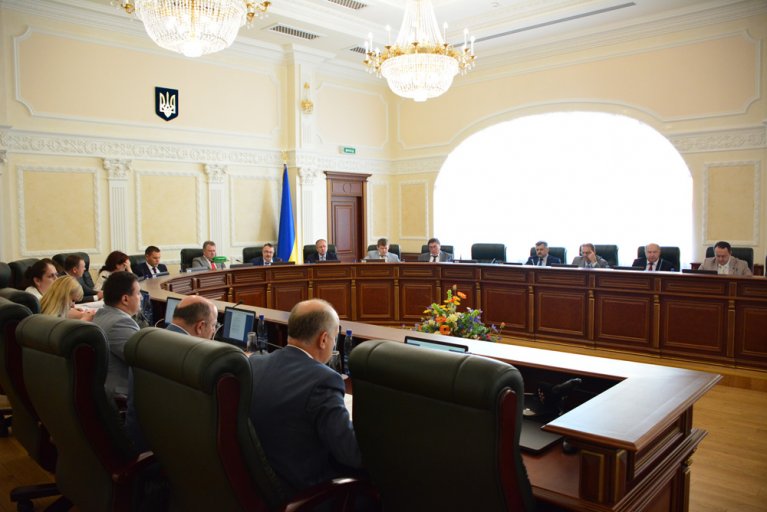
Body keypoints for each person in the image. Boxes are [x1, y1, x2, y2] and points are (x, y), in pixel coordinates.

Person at [248, 299, 362, 494]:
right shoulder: (324, 379)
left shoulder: (255, 364)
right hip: (306, 494)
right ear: (323, 339)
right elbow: (351, 453)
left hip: (259, 486)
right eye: (335, 338)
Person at [125, 295, 219, 452]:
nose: (214, 331)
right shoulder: (194, 359)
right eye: (214, 325)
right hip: (166, 453)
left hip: (138, 441)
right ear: (200, 326)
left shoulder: (146, 341)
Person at [92, 271, 142, 397]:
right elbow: (144, 360)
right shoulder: (121, 323)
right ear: (125, 299)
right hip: (122, 395)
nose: (141, 297)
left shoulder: (102, 314)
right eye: (138, 293)